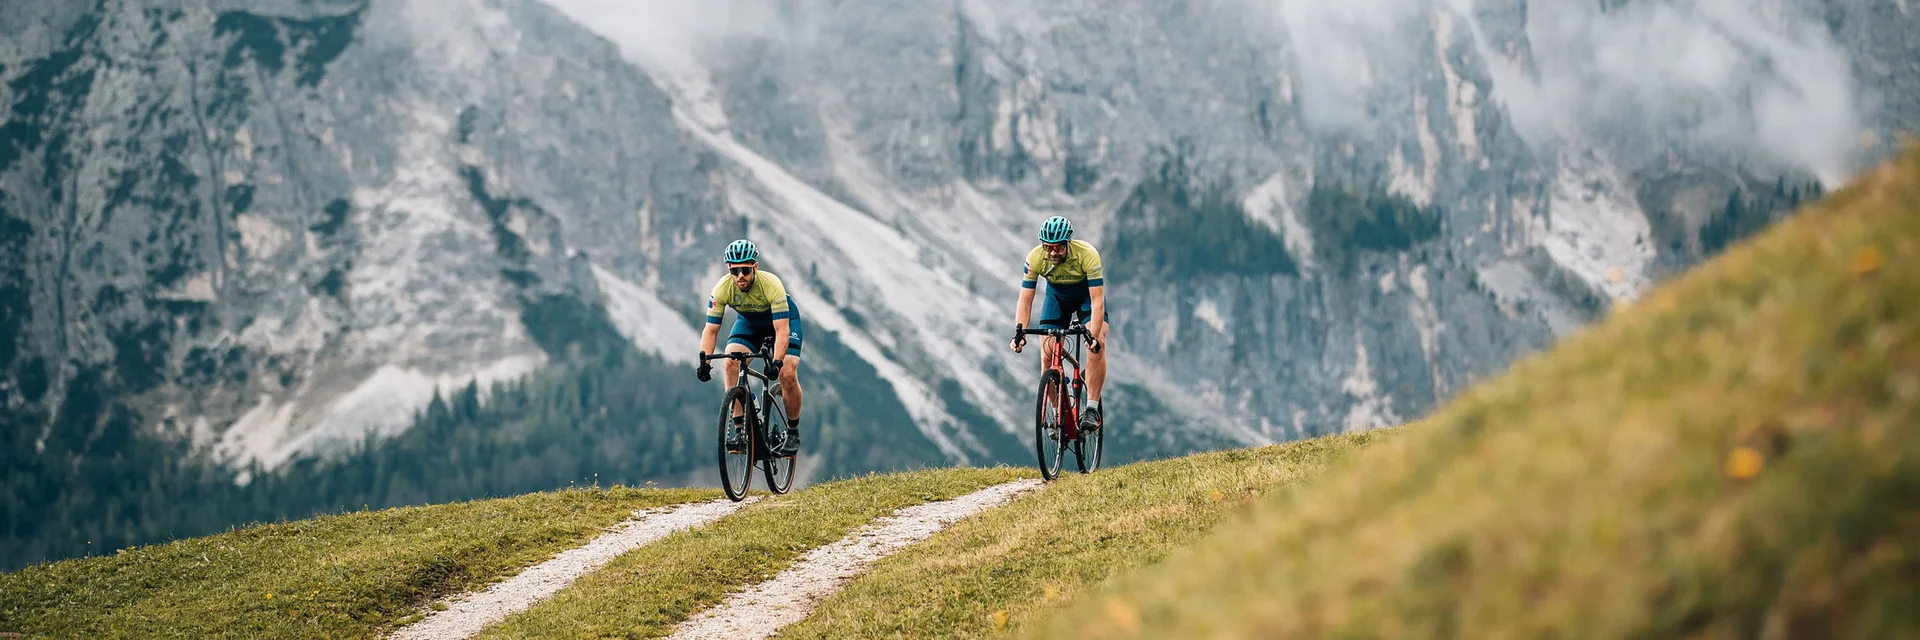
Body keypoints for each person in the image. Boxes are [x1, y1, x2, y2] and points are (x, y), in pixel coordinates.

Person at [695, 239, 804, 456]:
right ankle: (739, 430)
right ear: (730, 270)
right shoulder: (722, 289)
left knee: (787, 374)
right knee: (729, 364)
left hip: (783, 322)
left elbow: (781, 331)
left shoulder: (772, 284)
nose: (740, 276)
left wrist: (777, 361)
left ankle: (792, 431)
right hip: (750, 323)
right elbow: (711, 330)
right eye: (735, 271)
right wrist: (705, 362)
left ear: (755, 267)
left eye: (745, 269)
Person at [1008, 215, 1109, 432]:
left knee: (1097, 342)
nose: (1053, 253)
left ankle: (1091, 408)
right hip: (1056, 298)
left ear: (1068, 244)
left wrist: (1094, 336)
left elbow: (1097, 300)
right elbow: (1025, 299)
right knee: (1046, 356)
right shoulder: (1035, 257)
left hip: (1085, 298)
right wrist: (1019, 332)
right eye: (1048, 248)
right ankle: (1057, 414)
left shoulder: (1087, 254)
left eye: (1058, 248)